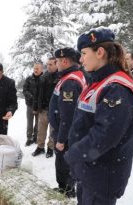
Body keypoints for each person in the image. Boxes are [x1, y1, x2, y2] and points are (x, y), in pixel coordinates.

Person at [64, 28, 133, 205]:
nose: (81, 59)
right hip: (89, 170)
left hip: (102, 175)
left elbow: (104, 136)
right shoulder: (98, 81)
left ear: (99, 52)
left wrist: (74, 153)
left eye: (84, 53)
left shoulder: (116, 87)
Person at [48, 48, 87, 197]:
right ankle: (67, 187)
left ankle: (66, 190)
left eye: (57, 61)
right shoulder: (72, 76)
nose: (56, 64)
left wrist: (61, 139)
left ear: (64, 61)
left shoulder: (70, 81)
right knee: (66, 161)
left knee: (63, 162)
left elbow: (68, 116)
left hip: (66, 133)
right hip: (69, 131)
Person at [32, 57, 58, 158]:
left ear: (56, 64)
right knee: (41, 129)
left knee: (53, 130)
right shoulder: (43, 77)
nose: (48, 66)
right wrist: (36, 106)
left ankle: (50, 148)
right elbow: (37, 93)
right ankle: (40, 146)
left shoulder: (60, 77)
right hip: (43, 109)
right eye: (47, 64)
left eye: (50, 64)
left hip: (55, 110)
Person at [23, 62, 43, 146]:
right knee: (29, 123)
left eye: (37, 68)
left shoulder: (44, 78)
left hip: (40, 105)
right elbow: (25, 90)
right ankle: (29, 138)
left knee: (38, 123)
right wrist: (31, 96)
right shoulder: (28, 79)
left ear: (41, 69)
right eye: (34, 68)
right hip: (30, 105)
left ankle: (36, 137)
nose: (35, 70)